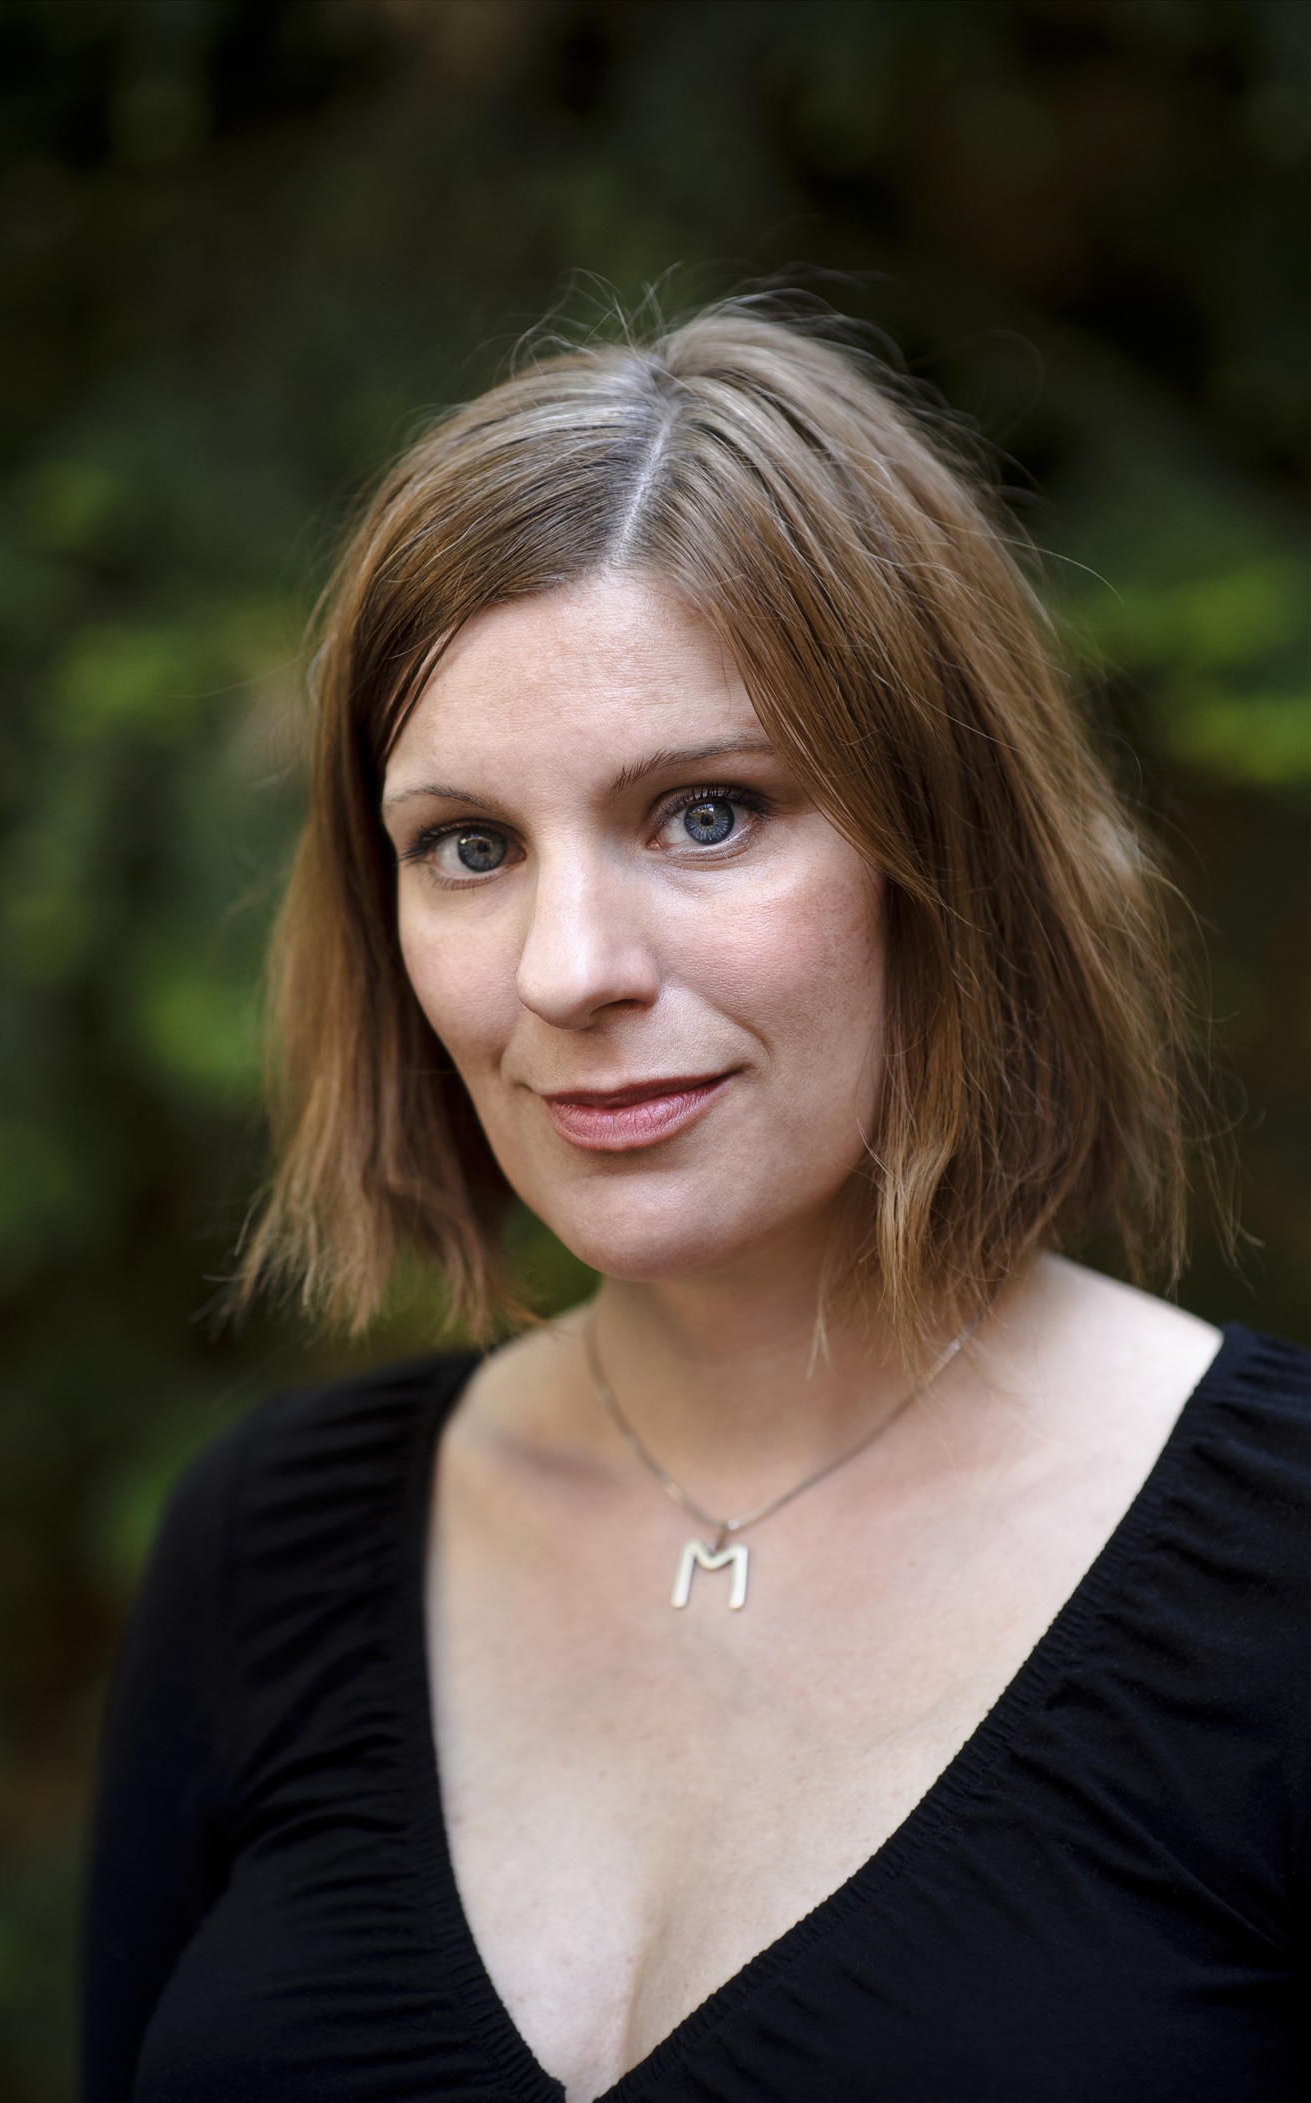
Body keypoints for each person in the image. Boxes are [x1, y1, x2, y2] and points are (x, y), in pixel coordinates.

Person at [81, 303, 1309, 2102]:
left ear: (949, 853)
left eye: (708, 814)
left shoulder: (1280, 1579)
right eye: (469, 847)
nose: (568, 968)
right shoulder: (261, 1553)